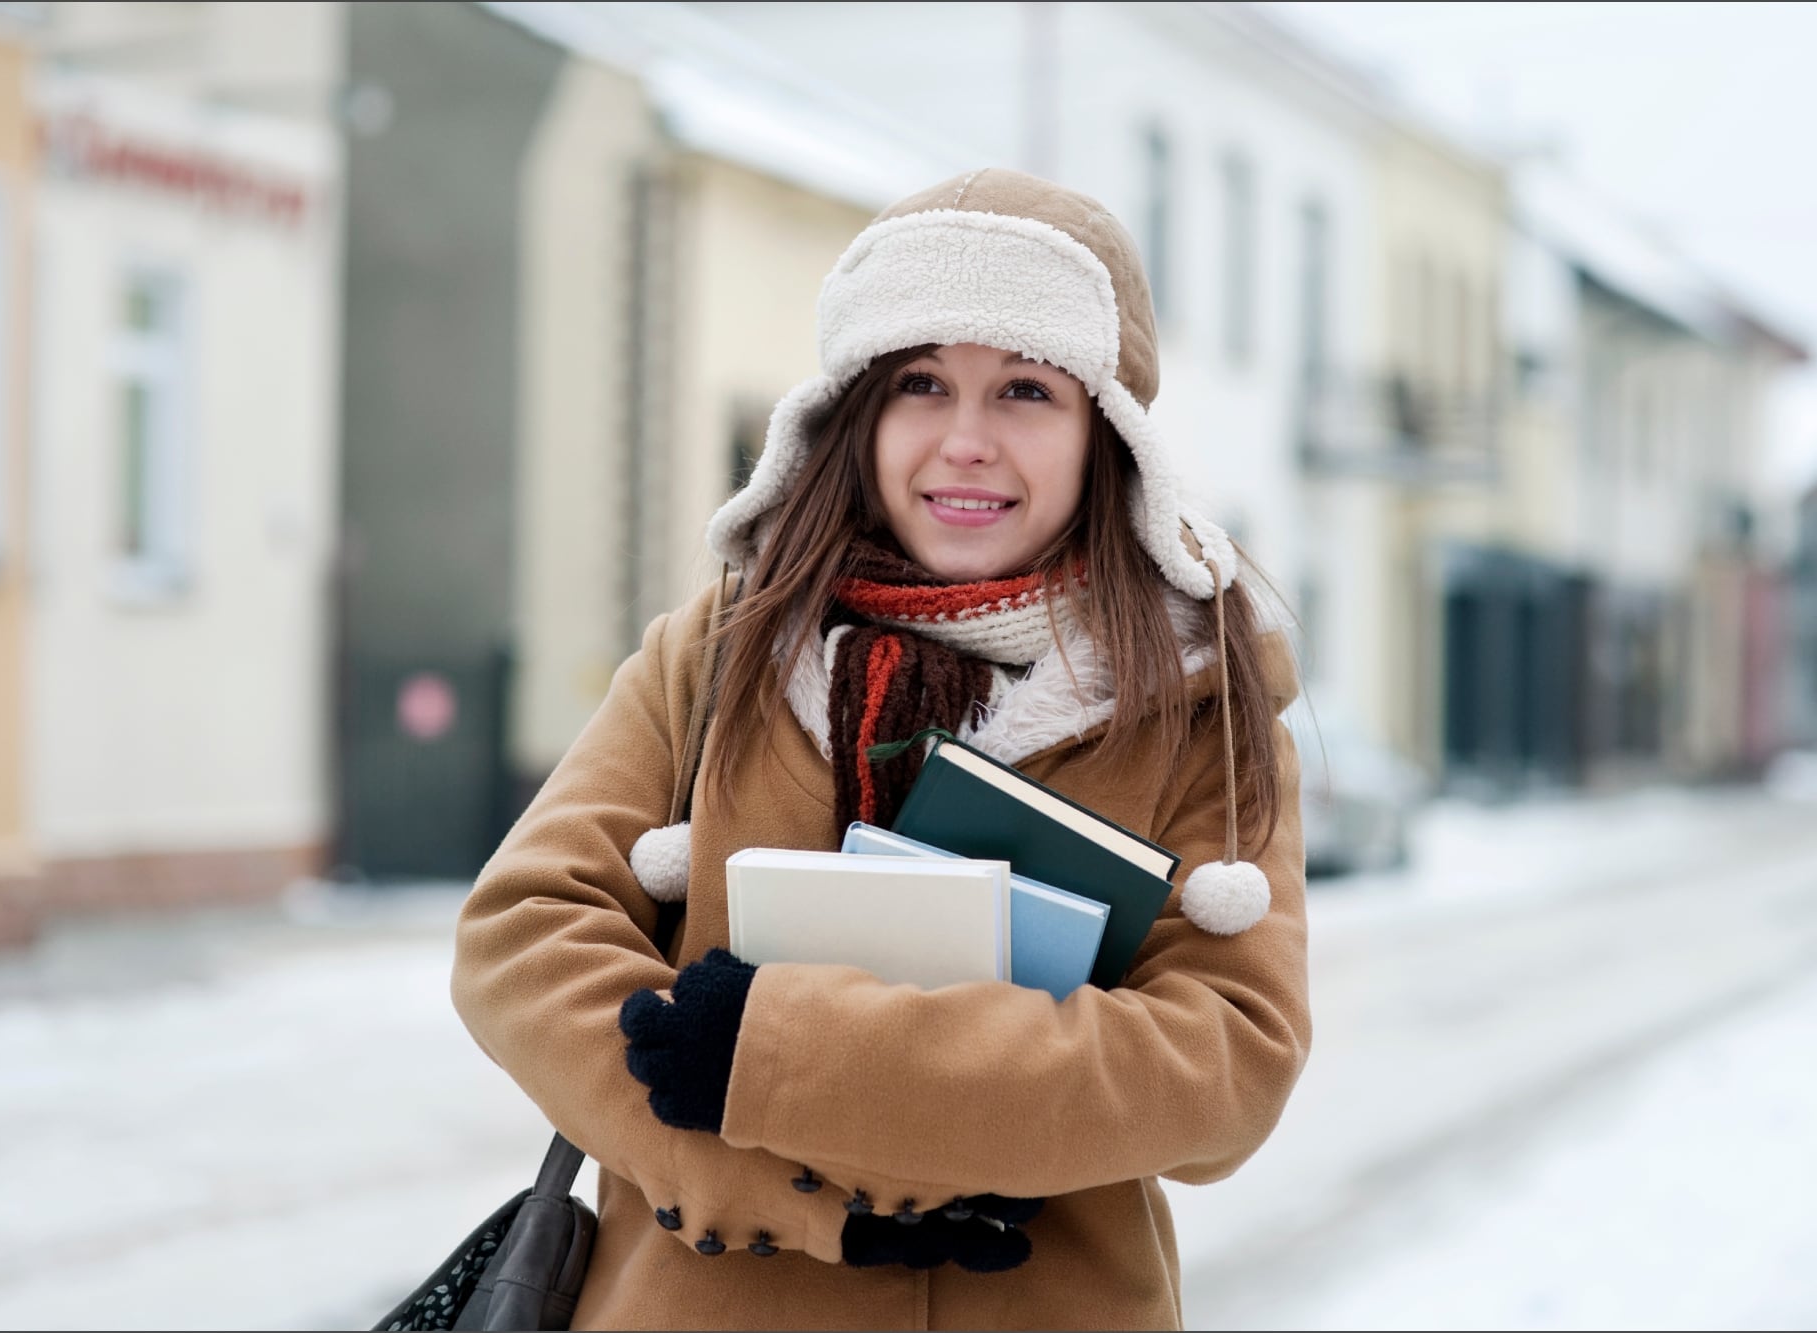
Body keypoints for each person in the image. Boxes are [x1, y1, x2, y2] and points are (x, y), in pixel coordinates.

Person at [451, 168, 1309, 1330]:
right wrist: (770, 1189)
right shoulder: (717, 653)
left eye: (1022, 389)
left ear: (1102, 430)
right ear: (852, 411)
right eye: (919, 383)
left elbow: (1225, 1065)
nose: (965, 441)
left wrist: (775, 1052)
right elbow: (522, 946)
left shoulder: (1195, 699)